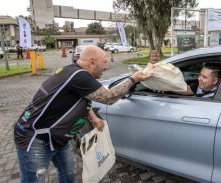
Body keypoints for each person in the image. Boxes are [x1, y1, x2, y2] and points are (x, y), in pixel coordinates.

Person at [13, 45, 152, 183]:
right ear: (92, 62)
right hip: (36, 139)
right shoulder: (79, 76)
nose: (106, 67)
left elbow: (84, 97)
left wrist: (93, 118)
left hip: (57, 138)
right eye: (104, 62)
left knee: (67, 174)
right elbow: (108, 97)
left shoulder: (72, 71)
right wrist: (134, 79)